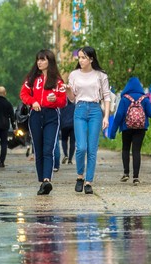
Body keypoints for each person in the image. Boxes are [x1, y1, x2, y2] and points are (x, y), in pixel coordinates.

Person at [20, 49, 68, 195]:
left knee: (48, 149)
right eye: (38, 60)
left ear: (49, 61)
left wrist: (55, 100)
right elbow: (23, 94)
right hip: (35, 115)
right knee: (38, 149)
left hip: (51, 116)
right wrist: (32, 102)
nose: (39, 62)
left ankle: (47, 180)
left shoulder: (58, 81)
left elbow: (63, 101)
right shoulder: (32, 78)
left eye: (42, 60)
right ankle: (42, 181)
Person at [66, 46, 111, 195]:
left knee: (92, 149)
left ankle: (88, 182)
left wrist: (106, 117)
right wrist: (68, 90)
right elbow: (72, 99)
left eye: (83, 57)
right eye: (79, 57)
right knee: (81, 147)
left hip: (95, 111)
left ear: (91, 59)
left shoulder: (100, 75)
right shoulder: (74, 74)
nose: (81, 60)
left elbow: (106, 96)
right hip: (79, 109)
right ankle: (80, 176)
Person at [109, 77, 151, 185]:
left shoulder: (125, 99)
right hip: (140, 128)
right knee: (136, 151)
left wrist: (113, 132)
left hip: (126, 128)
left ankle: (126, 173)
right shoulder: (144, 99)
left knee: (125, 149)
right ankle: (136, 177)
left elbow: (119, 115)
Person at [60, 98, 75, 165]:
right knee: (72, 142)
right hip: (73, 125)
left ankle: (66, 154)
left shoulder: (62, 104)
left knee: (64, 140)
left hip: (64, 125)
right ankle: (70, 159)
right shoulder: (74, 104)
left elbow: (60, 115)